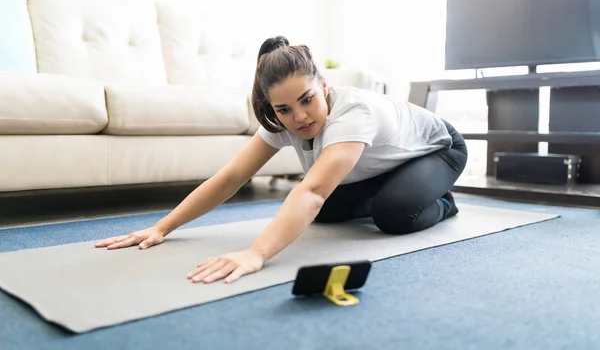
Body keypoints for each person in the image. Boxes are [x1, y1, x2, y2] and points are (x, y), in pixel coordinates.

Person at [95, 36, 468, 284]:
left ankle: (442, 202)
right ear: (272, 108)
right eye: (285, 109)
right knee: (324, 213)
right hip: (383, 164)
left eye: (307, 100)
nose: (300, 117)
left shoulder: (355, 113)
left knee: (394, 215)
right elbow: (231, 177)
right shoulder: (282, 120)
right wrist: (162, 227)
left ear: (323, 86)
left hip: (438, 149)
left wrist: (256, 253)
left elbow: (312, 191)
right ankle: (402, 191)